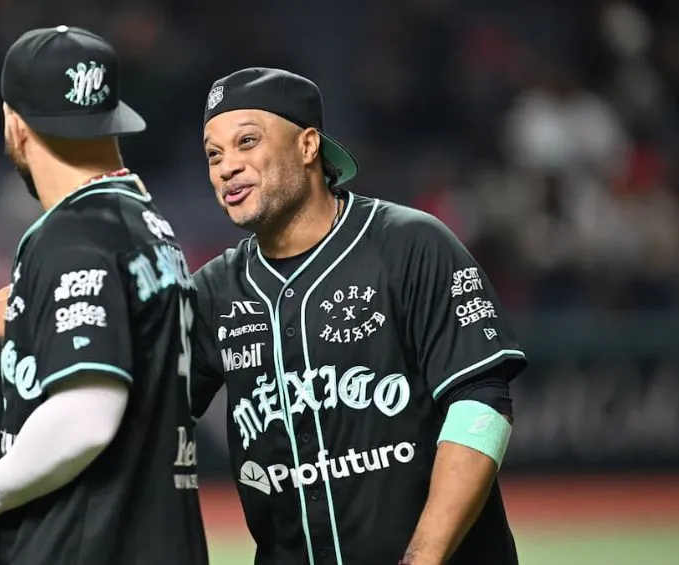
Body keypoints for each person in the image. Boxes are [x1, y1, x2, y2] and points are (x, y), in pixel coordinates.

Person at [191, 67, 528, 565]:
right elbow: (148, 425)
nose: (226, 167)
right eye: (214, 155)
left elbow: (481, 407)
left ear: (308, 146)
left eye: (247, 141)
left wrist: (423, 558)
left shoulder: (411, 244)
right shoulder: (214, 291)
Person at [0, 26, 208, 565]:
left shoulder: (72, 231)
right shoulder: (146, 224)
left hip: (95, 544)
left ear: (14, 124)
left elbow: (87, 413)